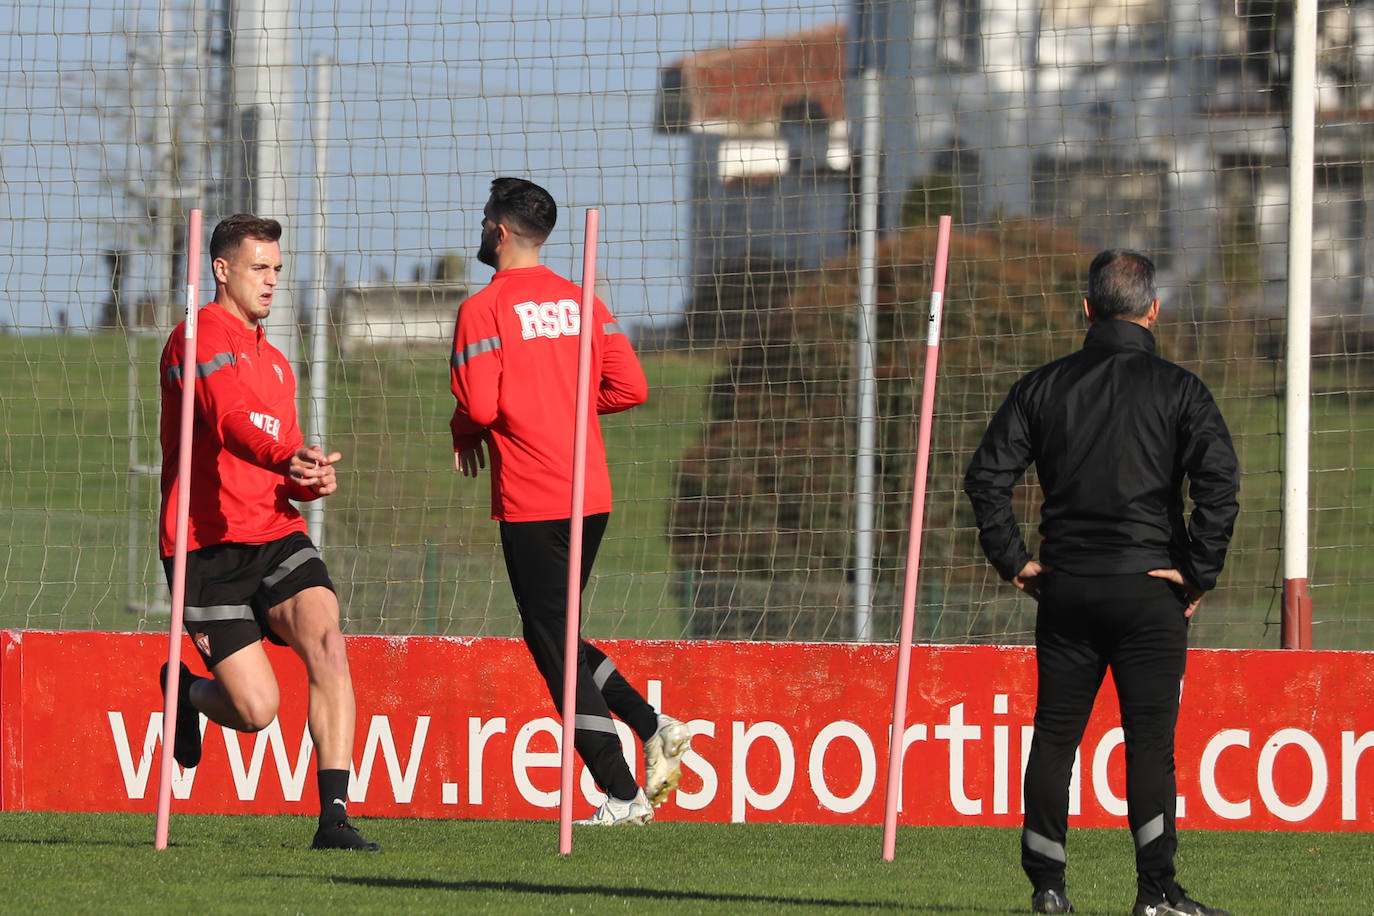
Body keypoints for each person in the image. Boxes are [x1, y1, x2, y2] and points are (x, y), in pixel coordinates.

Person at [963, 250, 1239, 916]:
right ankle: (1156, 894)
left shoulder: (1042, 386)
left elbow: (986, 478)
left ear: (1087, 309)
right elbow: (1220, 485)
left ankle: (1048, 887)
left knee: (1056, 736)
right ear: (1153, 311)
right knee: (1150, 744)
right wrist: (1197, 569)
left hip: (1068, 587)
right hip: (1150, 592)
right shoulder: (1181, 390)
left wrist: (1015, 561)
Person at [449, 177, 691, 826]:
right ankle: (653, 726)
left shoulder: (484, 309)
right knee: (561, 635)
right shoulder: (582, 301)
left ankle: (620, 793)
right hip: (591, 494)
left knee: (551, 644)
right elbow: (631, 386)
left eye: (482, 221)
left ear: (499, 232)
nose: (479, 231)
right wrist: (569, 407)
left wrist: (465, 426)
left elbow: (478, 404)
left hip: (533, 496)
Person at [157, 214, 379, 851]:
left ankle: (334, 818)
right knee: (257, 712)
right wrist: (285, 457)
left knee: (328, 642)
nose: (272, 281)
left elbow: (281, 466)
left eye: (278, 270)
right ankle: (191, 691)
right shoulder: (195, 337)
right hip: (206, 545)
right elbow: (228, 422)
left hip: (276, 532)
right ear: (223, 269)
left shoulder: (278, 364)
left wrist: (306, 479)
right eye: (260, 267)